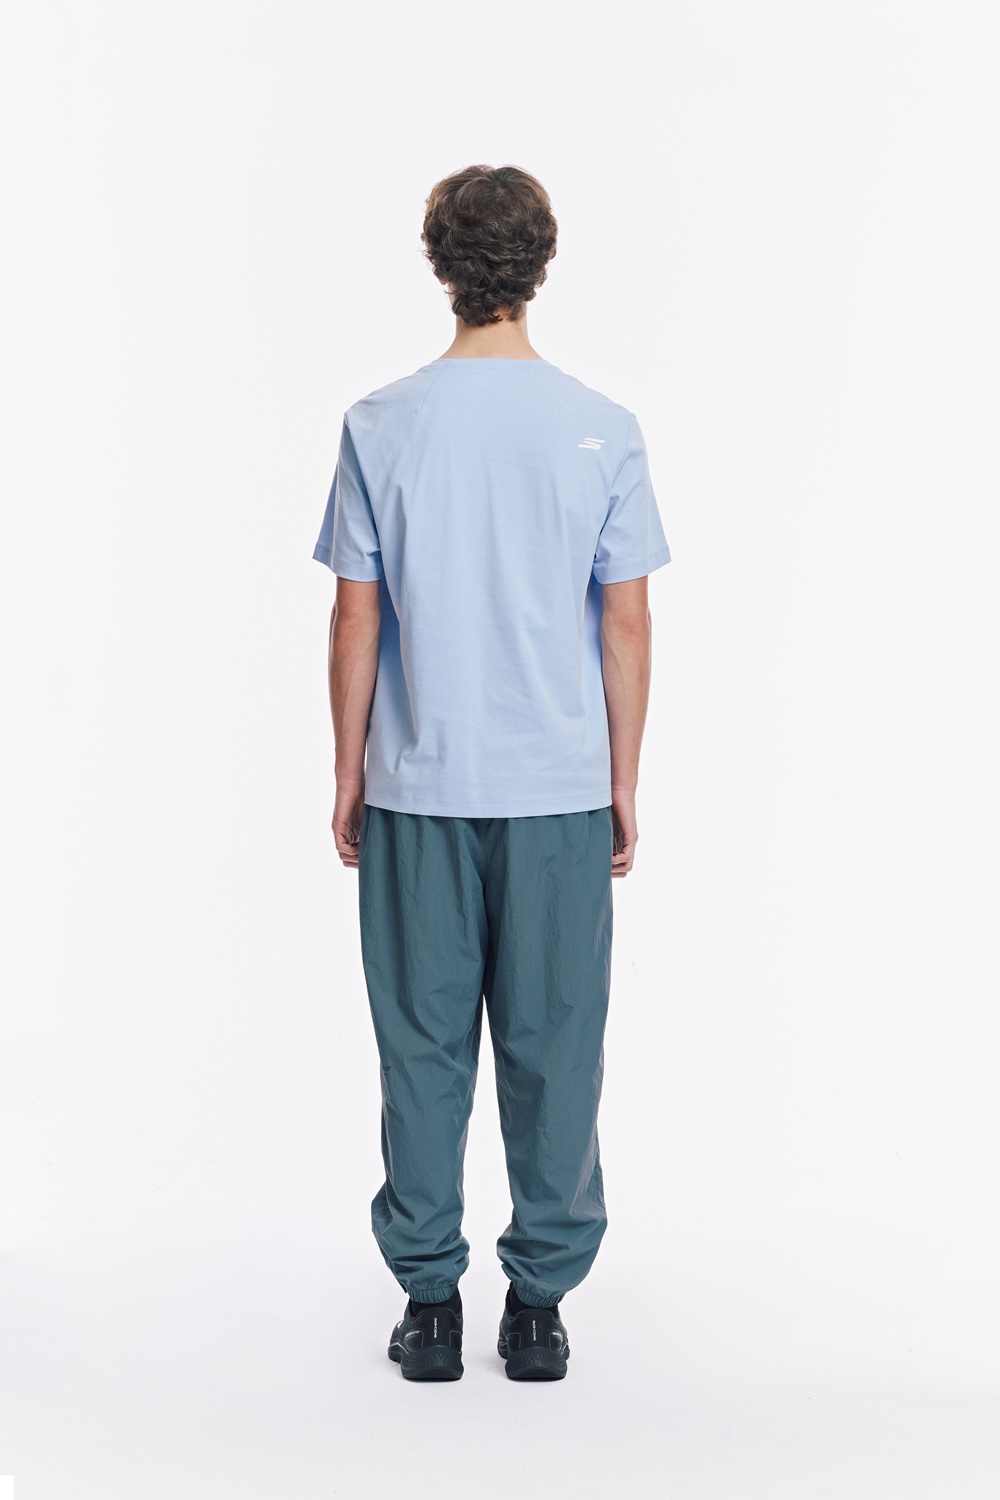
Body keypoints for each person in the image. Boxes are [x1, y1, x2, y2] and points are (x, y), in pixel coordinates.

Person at [312, 164, 671, 1382]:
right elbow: (624, 624)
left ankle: (428, 1310)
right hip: (558, 789)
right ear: (540, 264)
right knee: (555, 1048)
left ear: (441, 265)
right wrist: (622, 778)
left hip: (417, 787)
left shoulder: (381, 423)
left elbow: (355, 617)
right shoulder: (600, 426)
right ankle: (538, 1309)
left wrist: (349, 769)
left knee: (422, 1050)